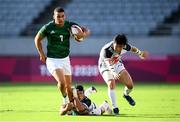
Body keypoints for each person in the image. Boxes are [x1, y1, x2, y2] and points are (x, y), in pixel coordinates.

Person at [34, 7, 90, 106]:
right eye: (58, 16)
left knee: (69, 87)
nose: (60, 18)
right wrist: (41, 53)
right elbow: (37, 39)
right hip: (52, 60)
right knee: (62, 83)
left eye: (62, 16)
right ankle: (64, 101)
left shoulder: (70, 25)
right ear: (54, 16)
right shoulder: (48, 27)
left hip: (65, 59)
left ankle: (72, 107)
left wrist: (83, 34)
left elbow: (82, 34)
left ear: (65, 16)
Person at [98, 34, 148, 114]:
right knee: (111, 83)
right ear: (114, 43)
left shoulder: (125, 46)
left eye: (120, 47)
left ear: (123, 46)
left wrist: (140, 53)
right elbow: (109, 65)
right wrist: (114, 73)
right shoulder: (106, 50)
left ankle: (126, 95)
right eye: (117, 46)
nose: (118, 48)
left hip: (116, 62)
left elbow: (133, 49)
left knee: (130, 85)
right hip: (105, 65)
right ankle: (115, 108)